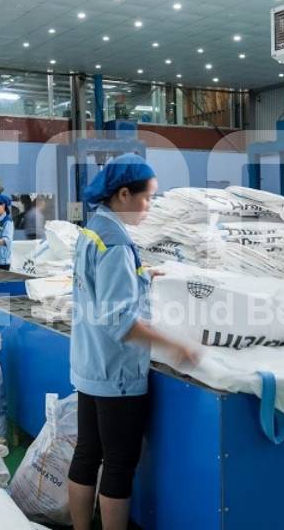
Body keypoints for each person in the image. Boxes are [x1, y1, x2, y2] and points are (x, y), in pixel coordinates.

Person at [67, 154, 199, 530]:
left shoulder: (93, 229)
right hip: (117, 374)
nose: (150, 207)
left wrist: (141, 274)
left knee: (87, 453)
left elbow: (99, 290)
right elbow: (121, 321)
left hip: (91, 365)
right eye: (148, 198)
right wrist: (176, 345)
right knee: (119, 464)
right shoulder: (117, 243)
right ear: (123, 194)